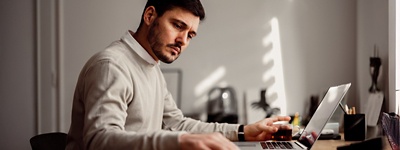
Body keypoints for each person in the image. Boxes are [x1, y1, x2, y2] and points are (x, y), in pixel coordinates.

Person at [65, 0, 291, 149]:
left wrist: (244, 131)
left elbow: (178, 124)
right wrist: (181, 142)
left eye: (190, 34)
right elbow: (99, 140)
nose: (183, 41)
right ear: (150, 15)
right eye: (177, 26)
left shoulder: (150, 67)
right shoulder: (112, 65)